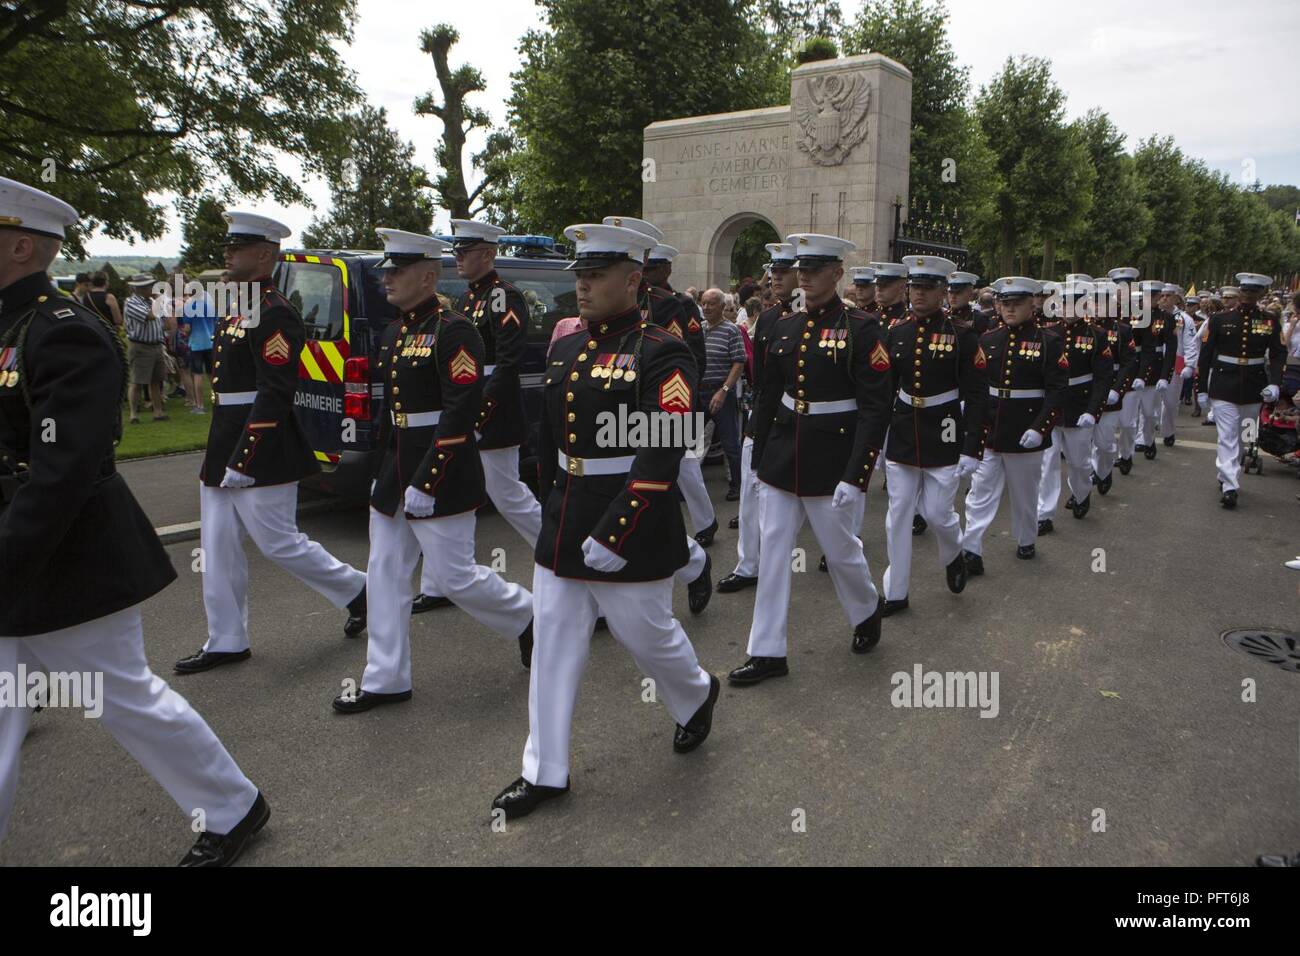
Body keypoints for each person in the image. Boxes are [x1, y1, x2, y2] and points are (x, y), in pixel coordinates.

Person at [0, 176, 267, 866]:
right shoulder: (10, 327)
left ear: (21, 245)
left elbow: (60, 472)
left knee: (125, 699)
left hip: (68, 557)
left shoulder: (63, 334)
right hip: (19, 550)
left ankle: (234, 807)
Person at [490, 223, 719, 819]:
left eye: (595, 275)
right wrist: (549, 505)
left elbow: (663, 449)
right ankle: (544, 770)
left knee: (646, 636)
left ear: (633, 279)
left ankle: (697, 693)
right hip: (566, 519)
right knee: (554, 642)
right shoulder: (567, 347)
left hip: (631, 521)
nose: (584, 286)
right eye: (581, 276)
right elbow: (549, 438)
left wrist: (619, 527)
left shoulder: (663, 350)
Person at [336, 229, 535, 714]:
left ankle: (530, 616)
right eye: (386, 271)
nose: (387, 279)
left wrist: (426, 479)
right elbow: (393, 413)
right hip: (397, 465)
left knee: (454, 575)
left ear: (427, 276)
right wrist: (382, 472)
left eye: (397, 271)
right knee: (384, 571)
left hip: (439, 468)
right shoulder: (395, 331)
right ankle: (385, 678)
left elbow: (460, 409)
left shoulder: (455, 330)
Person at [174, 209, 368, 674]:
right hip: (226, 439)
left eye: (235, 248)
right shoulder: (238, 306)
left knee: (279, 542)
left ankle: (361, 591)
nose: (227, 253)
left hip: (261, 445)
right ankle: (226, 639)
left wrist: (246, 454)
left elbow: (275, 392)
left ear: (263, 255)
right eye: (228, 246)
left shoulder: (275, 312)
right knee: (217, 545)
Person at [728, 233, 893, 686]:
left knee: (840, 552)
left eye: (815, 269)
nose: (804, 276)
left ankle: (865, 609)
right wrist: (758, 461)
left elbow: (875, 407)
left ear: (837, 274)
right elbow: (766, 396)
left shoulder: (862, 329)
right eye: (801, 269)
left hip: (831, 457)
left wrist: (857, 474)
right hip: (783, 452)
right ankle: (767, 651)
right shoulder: (781, 326)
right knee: (774, 550)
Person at [410, 218, 544, 614]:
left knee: (508, 495)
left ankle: (560, 553)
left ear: (487, 254)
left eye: (464, 252)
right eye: (456, 251)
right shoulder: (470, 299)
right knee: (456, 493)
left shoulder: (503, 296)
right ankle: (440, 581)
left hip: (493, 413)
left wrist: (477, 413)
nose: (458, 258)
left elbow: (506, 364)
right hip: (469, 404)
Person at [877, 255, 986, 617]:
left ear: (943, 291)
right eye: (915, 287)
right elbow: (886, 389)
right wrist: (878, 439)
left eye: (927, 288)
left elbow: (977, 396)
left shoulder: (962, 336)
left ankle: (953, 553)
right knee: (898, 513)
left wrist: (973, 447)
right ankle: (896, 590)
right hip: (905, 427)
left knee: (939, 513)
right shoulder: (897, 332)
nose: (919, 295)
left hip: (944, 429)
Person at [960, 277, 1067, 569]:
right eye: (1004, 303)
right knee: (980, 494)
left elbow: (1057, 391)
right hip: (991, 427)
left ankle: (1025, 539)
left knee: (1024, 495)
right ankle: (971, 549)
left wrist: (1040, 427)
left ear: (1032, 304)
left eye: (1016, 303)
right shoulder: (989, 338)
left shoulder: (1049, 341)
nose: (1009, 309)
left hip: (1025, 427)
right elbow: (979, 386)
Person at [719, 243, 797, 594]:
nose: (775, 278)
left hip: (807, 424)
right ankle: (749, 564)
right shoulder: (767, 318)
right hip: (765, 417)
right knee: (752, 494)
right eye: (773, 271)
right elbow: (763, 379)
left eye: (784, 271)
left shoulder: (826, 319)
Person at [1196, 272, 1284, 509]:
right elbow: (1205, 357)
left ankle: (1227, 473)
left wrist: (1275, 382)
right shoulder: (1219, 319)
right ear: (1239, 292)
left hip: (1254, 385)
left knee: (1244, 437)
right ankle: (1230, 486)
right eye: (1244, 292)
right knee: (1227, 436)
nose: (1247, 296)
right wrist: (1201, 388)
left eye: (1253, 292)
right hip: (1224, 384)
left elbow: (1277, 354)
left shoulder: (1270, 321)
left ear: (1260, 294)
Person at [1052, 278, 1113, 519]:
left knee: (1078, 463)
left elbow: (1103, 377)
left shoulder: (1097, 335)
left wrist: (1093, 410)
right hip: (1052, 405)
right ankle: (1045, 514)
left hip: (1080, 404)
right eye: (1063, 304)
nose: (1067, 309)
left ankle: (1081, 492)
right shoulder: (1049, 333)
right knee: (1048, 465)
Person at [1089, 278, 1137, 496]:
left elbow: (1128, 363)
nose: (1098, 307)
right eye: (1094, 302)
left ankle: (1105, 469)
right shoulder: (1082, 329)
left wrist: (1117, 389)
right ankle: (1092, 472)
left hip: (1110, 388)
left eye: (1102, 302)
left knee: (1105, 441)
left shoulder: (1123, 330)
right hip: (1087, 389)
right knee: (1085, 439)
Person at [698, 288, 747, 501]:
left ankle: (737, 486)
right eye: (704, 303)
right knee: (685, 442)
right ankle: (684, 487)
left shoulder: (731, 330)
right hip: (699, 393)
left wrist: (724, 390)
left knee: (731, 445)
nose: (706, 308)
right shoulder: (697, 330)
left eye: (711, 303)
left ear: (721, 306)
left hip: (721, 393)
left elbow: (739, 362)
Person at [123, 273, 169, 423]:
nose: (152, 288)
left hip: (156, 345)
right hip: (141, 346)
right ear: (140, 288)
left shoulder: (150, 301)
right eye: (150, 286)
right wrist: (159, 300)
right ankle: (134, 414)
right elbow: (150, 316)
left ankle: (158, 412)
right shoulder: (132, 302)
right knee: (137, 381)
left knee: (156, 381)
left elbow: (164, 320)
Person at [185, 277, 216, 414]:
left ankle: (200, 406)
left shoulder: (189, 306)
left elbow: (187, 328)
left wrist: (186, 334)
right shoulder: (208, 305)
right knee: (211, 374)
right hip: (210, 342)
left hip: (197, 344)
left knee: (197, 375)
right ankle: (218, 402)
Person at [871, 261, 909, 326]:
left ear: (901, 288)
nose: (879, 290)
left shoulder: (906, 318)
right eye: (877, 285)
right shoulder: (871, 318)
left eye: (885, 285)